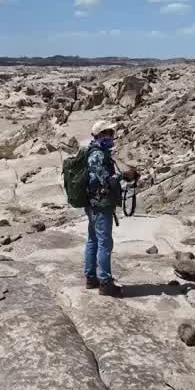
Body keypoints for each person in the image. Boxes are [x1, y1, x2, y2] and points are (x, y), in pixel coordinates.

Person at [84, 120, 123, 297]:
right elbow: (106, 180)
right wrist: (124, 175)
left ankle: (91, 278)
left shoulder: (97, 152)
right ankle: (105, 282)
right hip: (100, 204)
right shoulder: (98, 155)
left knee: (93, 239)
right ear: (100, 135)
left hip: (93, 203)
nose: (112, 137)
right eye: (109, 133)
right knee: (104, 243)